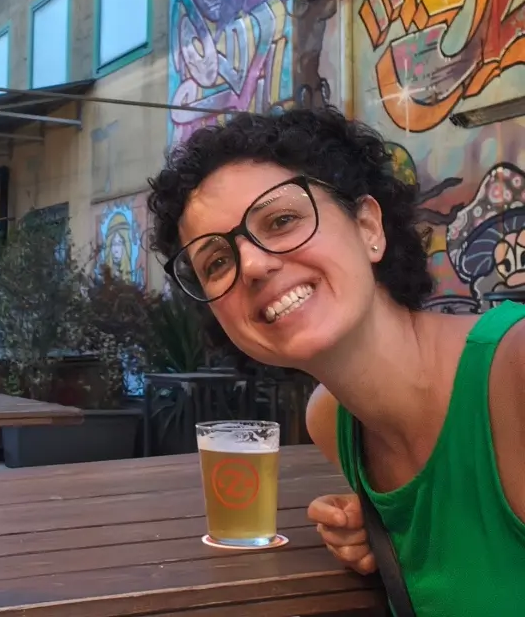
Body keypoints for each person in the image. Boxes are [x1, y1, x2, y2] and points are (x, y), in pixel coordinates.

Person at [147, 106, 525, 614]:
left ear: (369, 225)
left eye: (282, 220)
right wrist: (380, 535)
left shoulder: (514, 372)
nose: (253, 264)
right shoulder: (334, 420)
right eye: (216, 262)